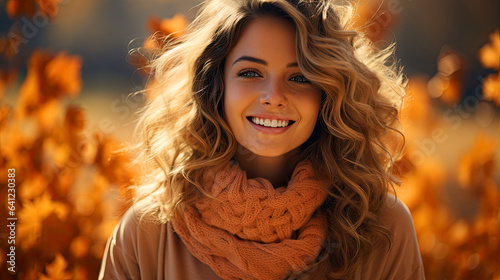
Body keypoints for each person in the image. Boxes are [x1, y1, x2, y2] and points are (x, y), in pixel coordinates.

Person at [99, 0, 425, 279]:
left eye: (300, 77)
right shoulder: (147, 234)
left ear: (328, 95)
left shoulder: (383, 228)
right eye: (251, 73)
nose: (274, 97)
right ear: (216, 88)